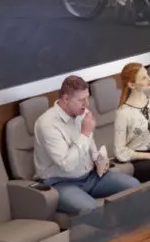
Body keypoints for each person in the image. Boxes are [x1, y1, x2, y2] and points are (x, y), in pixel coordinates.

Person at [33, 75, 140, 215]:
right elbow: (67, 165)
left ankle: (131, 231)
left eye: (87, 98)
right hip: (61, 183)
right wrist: (84, 133)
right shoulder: (47, 124)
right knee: (91, 209)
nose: (87, 104)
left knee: (134, 187)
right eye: (81, 100)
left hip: (91, 176)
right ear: (65, 99)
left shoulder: (82, 113)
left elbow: (90, 146)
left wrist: (99, 160)